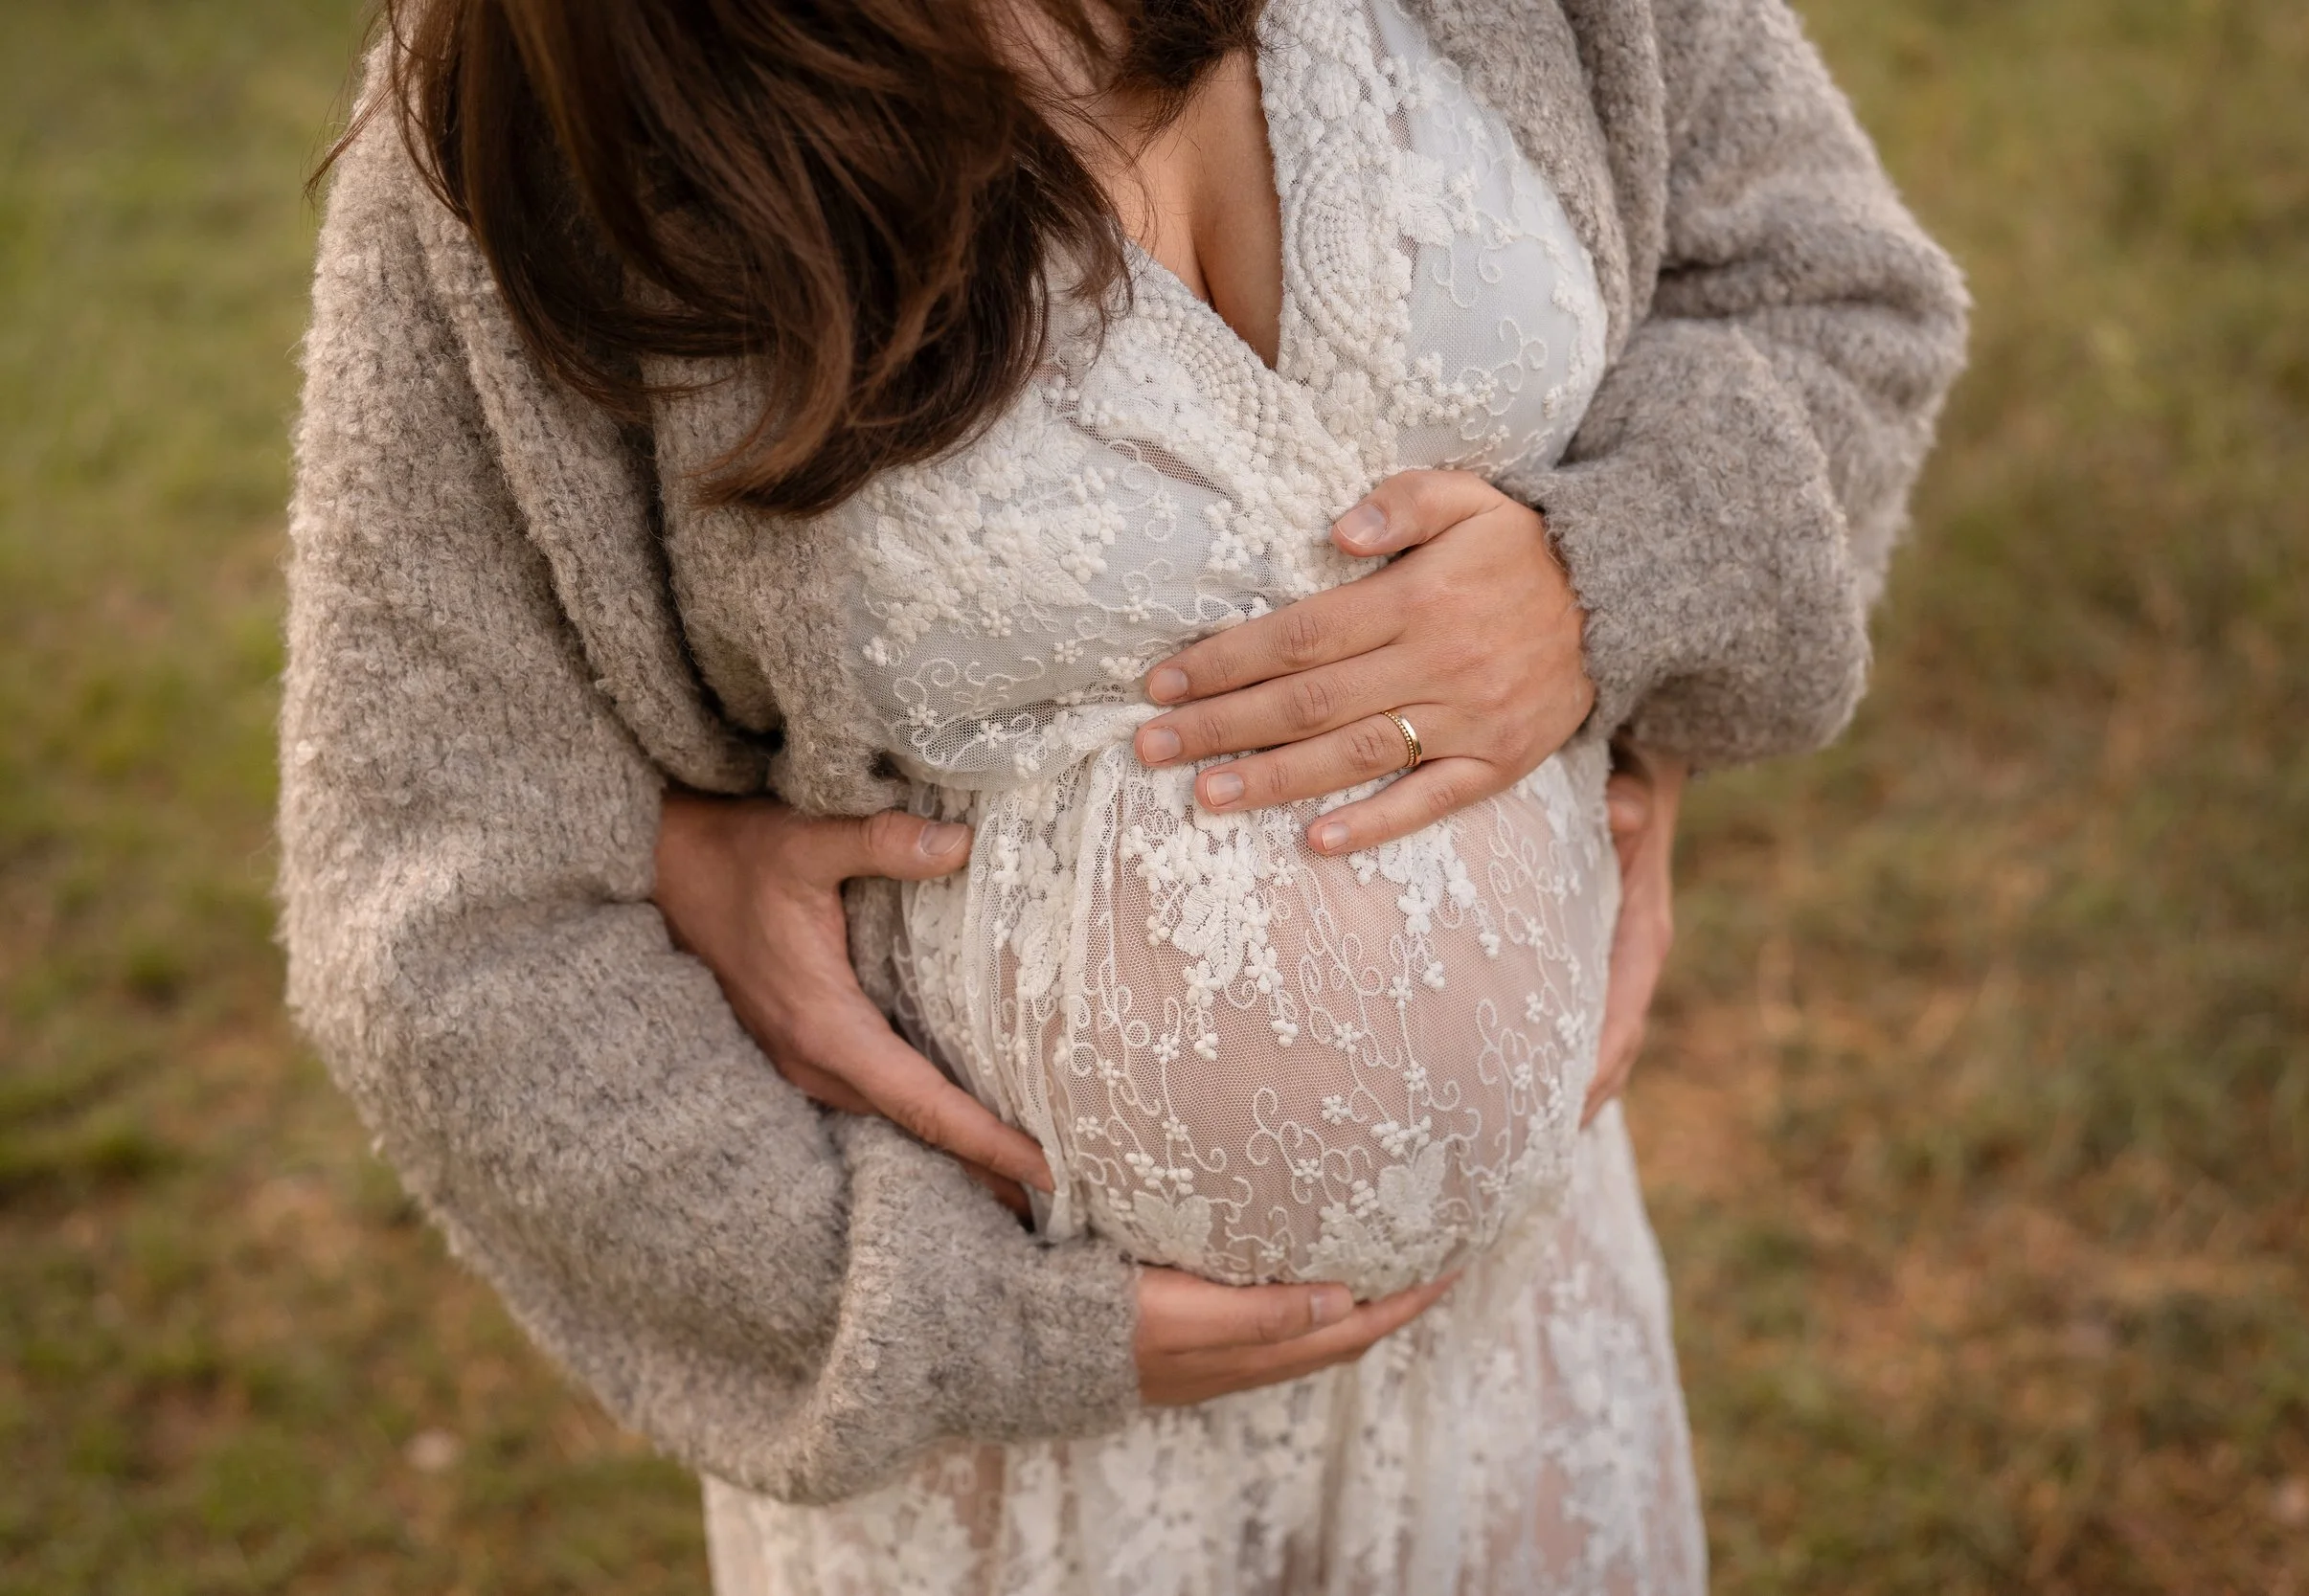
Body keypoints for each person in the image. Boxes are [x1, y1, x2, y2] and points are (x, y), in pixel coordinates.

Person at [280, 0, 1964, 1586]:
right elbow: (441, 900)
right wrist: (929, 1315)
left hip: (1518, 1342)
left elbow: (1831, 298)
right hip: (1007, 1476)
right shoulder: (560, 72)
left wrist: (1609, 595)